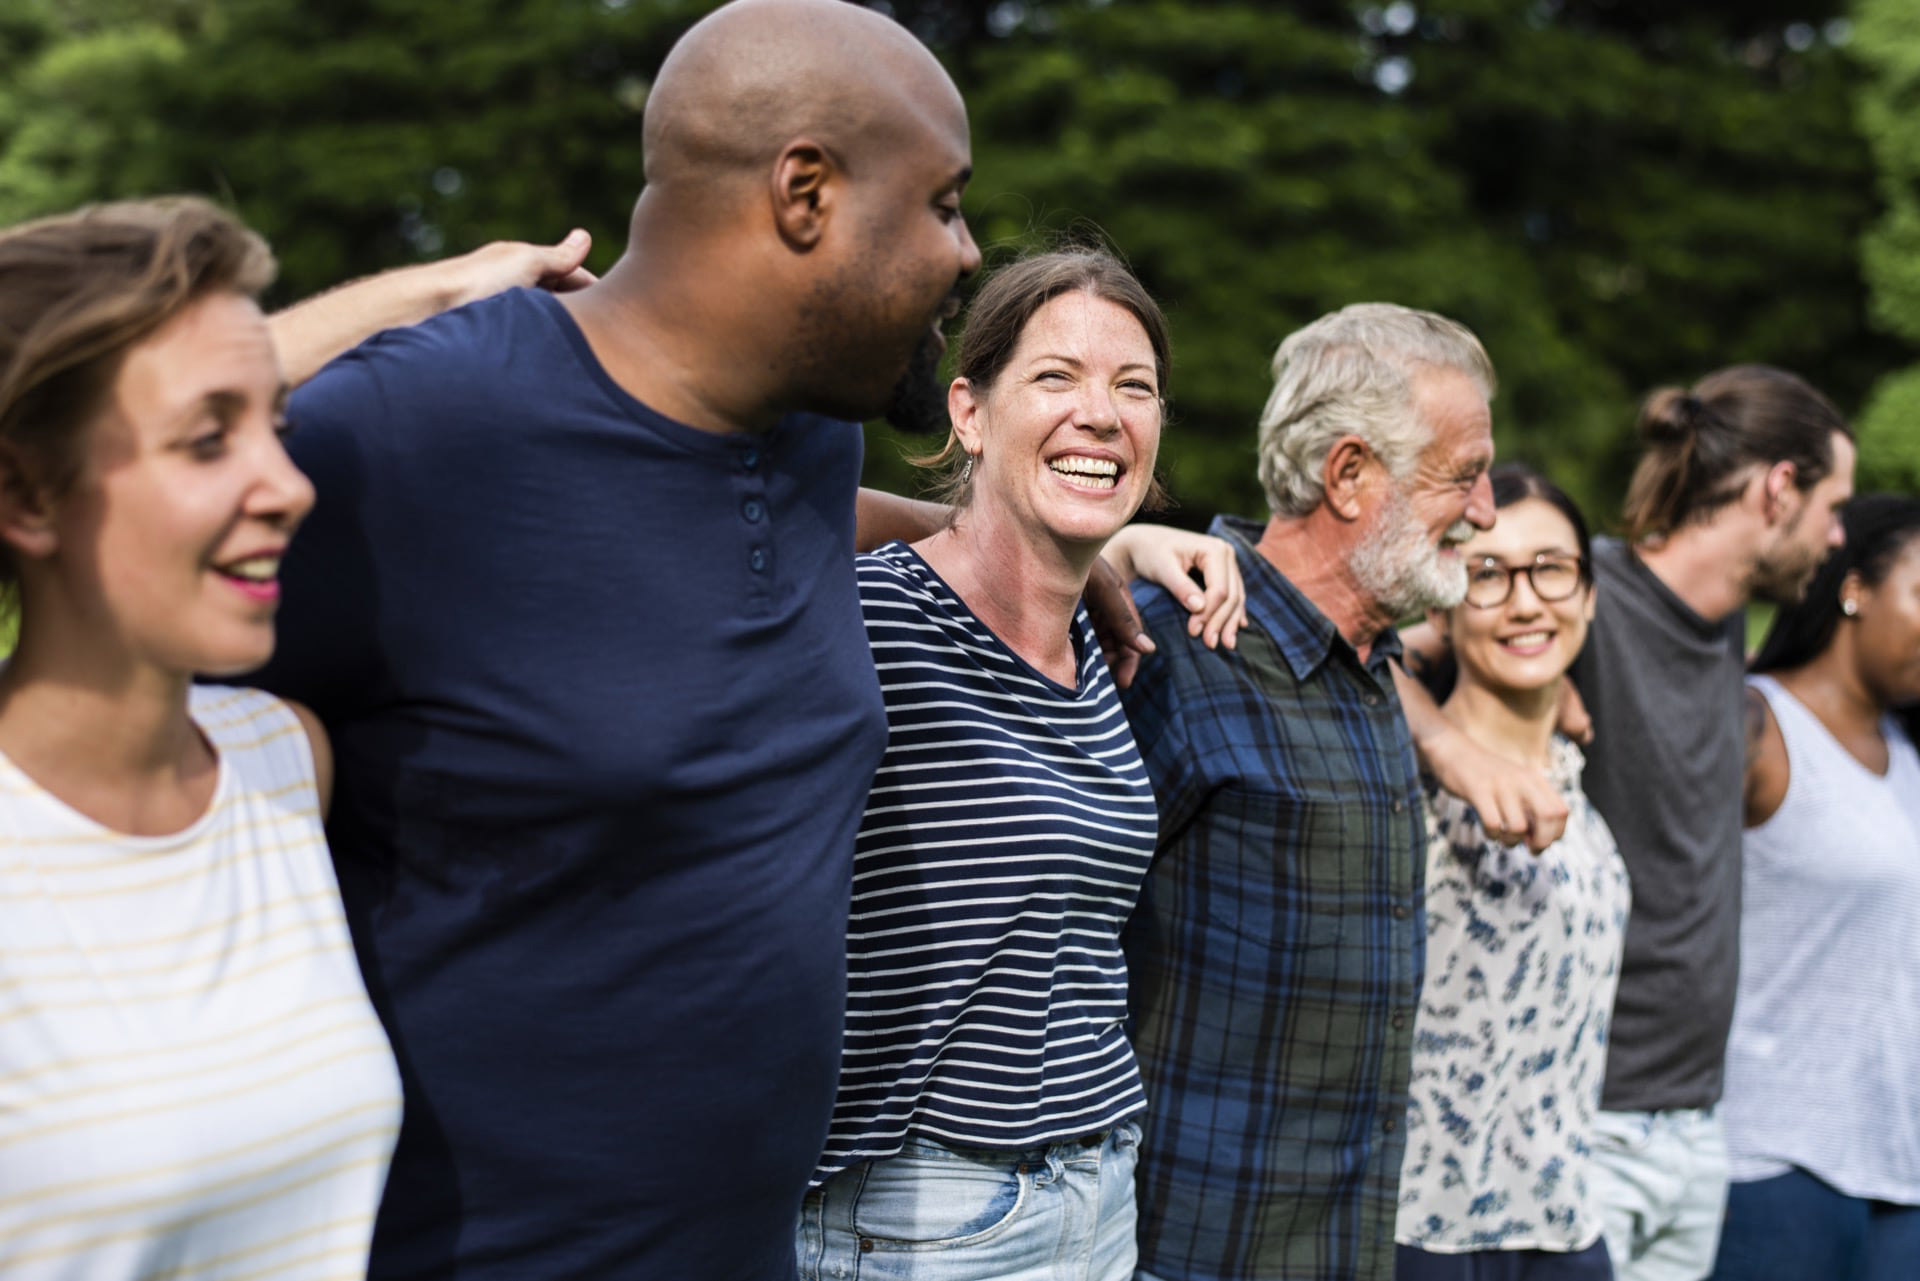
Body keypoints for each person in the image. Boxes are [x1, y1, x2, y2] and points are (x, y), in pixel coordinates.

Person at [247, 3, 1233, 1277]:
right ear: (806, 191)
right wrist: (420, 288)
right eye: (943, 203)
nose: (966, 248)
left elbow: (780, 516)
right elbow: (91, 508)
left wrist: (1075, 544)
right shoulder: (426, 428)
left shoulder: (802, 439)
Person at [798, 249, 1227, 1281]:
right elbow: (733, 519)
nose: (1101, 412)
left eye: (1134, 388)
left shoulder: (1093, 645)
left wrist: (1111, 562)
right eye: (1055, 378)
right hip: (928, 1214)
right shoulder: (873, 620)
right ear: (970, 411)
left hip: (1105, 1190)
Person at [0, 197, 401, 1278]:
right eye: (209, 438)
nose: (289, 484)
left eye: (277, 424)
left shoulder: (282, 761)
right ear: (27, 494)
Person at [1122, 302, 1521, 1281]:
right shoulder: (1170, 646)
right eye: (1464, 475)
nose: (1486, 512)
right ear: (1348, 476)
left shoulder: (1374, 671)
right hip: (1188, 1248)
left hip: (1345, 1246)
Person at [1557, 369, 1854, 1281]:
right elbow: (1386, 657)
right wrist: (1455, 745)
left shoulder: (1725, 628)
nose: (1840, 537)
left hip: (1697, 1129)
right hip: (1588, 1123)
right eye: (1833, 505)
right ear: (1778, 489)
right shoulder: (1582, 595)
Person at [1393, 464, 1630, 1281]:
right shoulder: (1403, 778)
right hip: (1429, 1239)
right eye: (1486, 575)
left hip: (1566, 1230)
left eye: (1552, 569)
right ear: (1441, 602)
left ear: (1590, 592)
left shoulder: (1577, 782)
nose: (1526, 601)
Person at [1707, 495, 1920, 1281]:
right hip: (1773, 1162)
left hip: (1899, 1173)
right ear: (1855, 587)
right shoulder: (1758, 725)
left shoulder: (1907, 750)